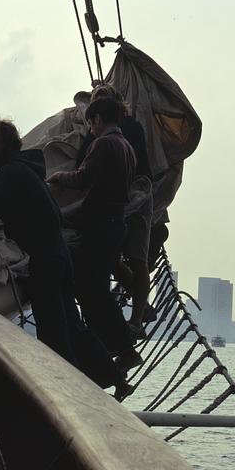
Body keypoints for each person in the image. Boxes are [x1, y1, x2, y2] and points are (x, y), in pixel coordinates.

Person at [0, 119, 133, 399]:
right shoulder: (27, 171)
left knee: (54, 332)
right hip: (59, 255)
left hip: (45, 260)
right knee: (73, 325)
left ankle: (72, 394)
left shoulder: (10, 174)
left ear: (7, 146)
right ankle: (114, 378)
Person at [47, 97, 142, 373]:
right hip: (114, 224)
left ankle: (121, 348)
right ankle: (107, 348)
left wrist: (59, 177)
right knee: (93, 287)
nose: (89, 129)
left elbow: (83, 178)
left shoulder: (103, 143)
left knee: (92, 290)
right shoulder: (126, 147)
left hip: (100, 225)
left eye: (90, 123)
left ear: (98, 119)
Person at [75, 84, 153, 339]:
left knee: (137, 258)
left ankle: (137, 320)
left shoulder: (127, 131)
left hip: (137, 198)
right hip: (115, 206)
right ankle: (132, 309)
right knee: (111, 257)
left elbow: (83, 171)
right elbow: (84, 162)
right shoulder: (99, 136)